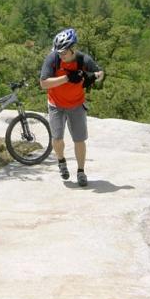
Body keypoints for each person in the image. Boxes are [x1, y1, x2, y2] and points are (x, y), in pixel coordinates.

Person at [39, 28, 104, 187]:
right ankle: (61, 161)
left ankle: (81, 172)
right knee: (57, 138)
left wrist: (93, 77)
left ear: (73, 49)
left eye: (64, 52)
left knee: (79, 139)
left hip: (76, 104)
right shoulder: (53, 59)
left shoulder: (83, 60)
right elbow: (43, 83)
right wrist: (68, 78)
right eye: (59, 52)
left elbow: (101, 72)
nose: (61, 55)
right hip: (55, 103)